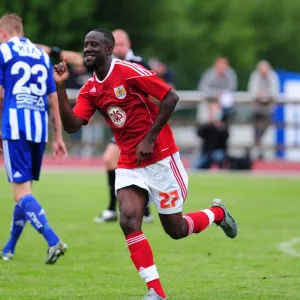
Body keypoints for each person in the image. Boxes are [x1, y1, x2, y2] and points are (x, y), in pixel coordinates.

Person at [53, 28, 238, 300]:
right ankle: (155, 291)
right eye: (85, 45)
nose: (87, 50)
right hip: (128, 161)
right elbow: (72, 126)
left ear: (108, 49)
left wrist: (150, 137)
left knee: (175, 230)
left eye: (93, 45)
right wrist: (59, 86)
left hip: (161, 157)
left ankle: (217, 214)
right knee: (128, 220)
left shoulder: (129, 71)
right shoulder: (90, 88)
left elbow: (170, 97)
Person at [38, 29, 154, 223]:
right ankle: (117, 209)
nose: (118, 48)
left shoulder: (137, 64)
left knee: (138, 168)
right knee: (111, 160)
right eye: (115, 45)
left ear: (129, 44)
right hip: (122, 129)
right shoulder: (104, 65)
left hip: (141, 127)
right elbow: (77, 59)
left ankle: (142, 209)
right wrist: (53, 51)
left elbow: (161, 92)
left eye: (121, 45)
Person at [0, 14, 68, 263]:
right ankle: (9, 248)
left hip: (15, 127)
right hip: (38, 130)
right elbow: (53, 98)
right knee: (23, 192)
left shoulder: (3, 51)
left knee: (21, 193)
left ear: (3, 32)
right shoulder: (41, 54)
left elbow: (0, 93)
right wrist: (58, 136)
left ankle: (53, 240)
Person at [248, 60, 280, 159]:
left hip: (268, 110)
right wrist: (259, 95)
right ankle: (257, 153)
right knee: (256, 132)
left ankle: (261, 152)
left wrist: (266, 96)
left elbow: (275, 92)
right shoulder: (255, 76)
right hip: (257, 109)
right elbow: (252, 91)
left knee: (265, 132)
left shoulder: (273, 76)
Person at [198, 57, 237, 125]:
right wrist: (215, 95)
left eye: (223, 66)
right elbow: (203, 88)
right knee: (205, 119)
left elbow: (232, 88)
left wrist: (221, 96)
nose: (221, 68)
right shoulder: (209, 74)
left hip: (224, 103)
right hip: (209, 101)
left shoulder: (230, 74)